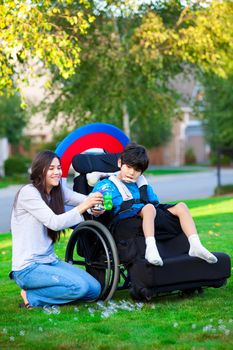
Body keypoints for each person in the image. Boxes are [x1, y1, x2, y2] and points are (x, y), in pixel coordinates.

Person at [92, 143, 218, 266]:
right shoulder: (106, 186)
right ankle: (151, 249)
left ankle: (196, 245)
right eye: (129, 167)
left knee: (181, 207)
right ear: (120, 163)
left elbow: (154, 202)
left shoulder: (141, 184)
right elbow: (94, 205)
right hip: (124, 220)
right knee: (148, 208)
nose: (132, 173)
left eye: (137, 170)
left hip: (149, 213)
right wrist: (97, 210)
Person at [10, 150, 103, 309]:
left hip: (50, 261)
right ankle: (31, 296)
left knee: (94, 290)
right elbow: (54, 223)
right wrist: (85, 206)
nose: (57, 172)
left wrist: (95, 205)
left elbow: (82, 200)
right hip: (28, 267)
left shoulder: (58, 190)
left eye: (59, 168)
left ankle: (49, 289)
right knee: (79, 287)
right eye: (51, 168)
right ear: (40, 170)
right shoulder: (29, 193)